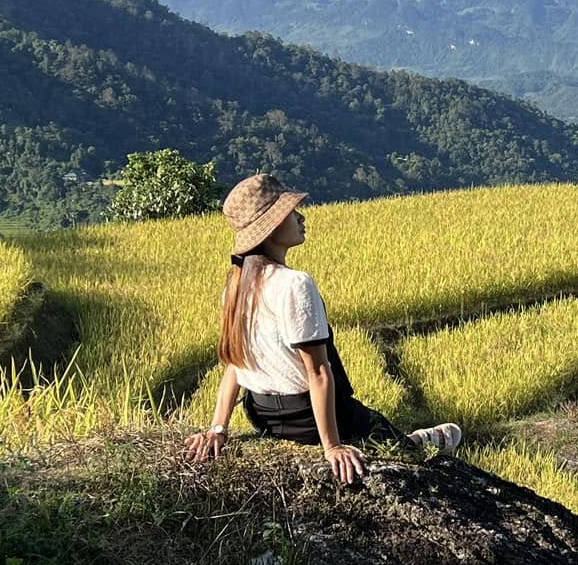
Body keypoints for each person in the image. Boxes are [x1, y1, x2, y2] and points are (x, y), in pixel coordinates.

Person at [182, 173, 463, 483]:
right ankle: (418, 441)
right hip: (308, 420)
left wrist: (218, 428)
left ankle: (413, 438)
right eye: (291, 213)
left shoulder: (236, 287)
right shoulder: (294, 284)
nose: (301, 217)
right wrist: (332, 446)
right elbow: (317, 373)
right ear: (273, 227)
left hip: (264, 417)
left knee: (375, 426)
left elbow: (236, 364)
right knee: (386, 436)